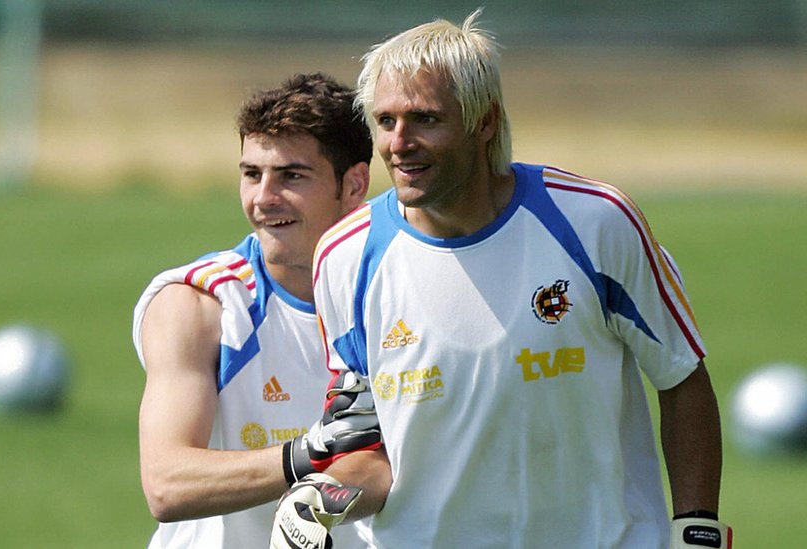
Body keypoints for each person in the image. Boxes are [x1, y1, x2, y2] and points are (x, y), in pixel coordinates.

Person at [271, 11, 731, 549]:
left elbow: (681, 377)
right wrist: (320, 498)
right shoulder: (345, 257)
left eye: (425, 119)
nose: (399, 142)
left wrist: (696, 528)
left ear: (484, 121)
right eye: (386, 120)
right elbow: (366, 444)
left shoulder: (595, 221)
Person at [132, 73, 376, 548]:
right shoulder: (199, 304)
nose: (263, 198)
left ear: (354, 184)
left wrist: (322, 500)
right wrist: (307, 454)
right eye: (251, 174)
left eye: (291, 176)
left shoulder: (391, 296)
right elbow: (165, 482)